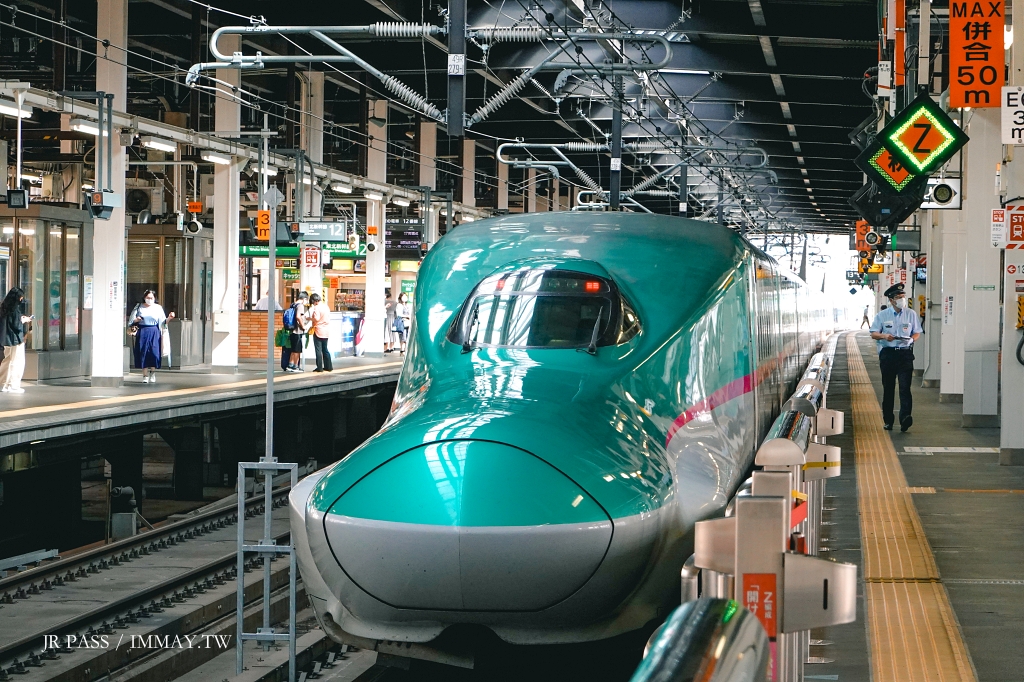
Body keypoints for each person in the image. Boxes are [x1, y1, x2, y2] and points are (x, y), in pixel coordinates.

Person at [869, 283, 922, 432]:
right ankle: (888, 420)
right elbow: (873, 333)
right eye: (898, 297)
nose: (902, 300)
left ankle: (905, 417)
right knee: (889, 388)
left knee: (905, 387)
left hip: (905, 354)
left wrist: (912, 339)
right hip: (888, 354)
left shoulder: (911, 313)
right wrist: (885, 335)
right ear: (891, 300)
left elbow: (917, 332)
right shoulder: (882, 316)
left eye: (903, 297)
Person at [129, 290, 175, 384]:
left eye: (151, 298)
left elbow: (163, 322)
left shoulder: (158, 308)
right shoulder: (139, 307)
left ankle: (153, 372)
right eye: (147, 298)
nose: (149, 300)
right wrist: (136, 320)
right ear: (144, 298)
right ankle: (145, 375)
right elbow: (131, 321)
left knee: (154, 353)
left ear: (155, 298)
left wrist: (169, 318)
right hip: (142, 331)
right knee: (143, 352)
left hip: (154, 331)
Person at [0, 288, 32, 393]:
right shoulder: (15, 309)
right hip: (15, 340)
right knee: (17, 362)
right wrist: (23, 320)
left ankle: (3, 384)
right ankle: (13, 385)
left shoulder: (3, 307)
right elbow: (16, 326)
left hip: (5, 339)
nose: (22, 299)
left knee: (7, 361)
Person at [308, 293, 333, 373]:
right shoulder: (326, 306)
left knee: (318, 349)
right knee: (325, 349)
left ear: (313, 301)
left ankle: (319, 367)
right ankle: (328, 366)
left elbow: (316, 318)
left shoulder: (316, 307)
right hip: (326, 330)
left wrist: (309, 318)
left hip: (318, 330)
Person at [285, 291, 309, 372]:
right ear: (304, 299)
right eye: (307, 300)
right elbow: (298, 317)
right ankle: (295, 366)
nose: (307, 302)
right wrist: (303, 326)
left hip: (292, 329)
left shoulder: (293, 304)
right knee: (297, 350)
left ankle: (290, 365)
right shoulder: (300, 306)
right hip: (297, 330)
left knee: (293, 349)